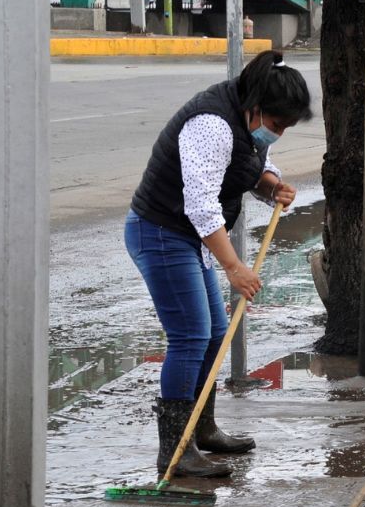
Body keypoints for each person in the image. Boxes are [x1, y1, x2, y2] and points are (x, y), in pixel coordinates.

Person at [125, 50, 311, 477]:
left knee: (212, 333)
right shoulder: (210, 124)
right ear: (258, 108)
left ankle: (202, 428)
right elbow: (202, 204)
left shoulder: (244, 120)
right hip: (162, 231)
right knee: (190, 336)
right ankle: (175, 450)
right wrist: (234, 268)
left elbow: (247, 164)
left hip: (189, 236)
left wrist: (271, 186)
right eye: (277, 125)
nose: (277, 134)